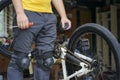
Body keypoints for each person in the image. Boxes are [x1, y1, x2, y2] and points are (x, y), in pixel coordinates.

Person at [7, 0, 71, 80]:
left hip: (49, 17)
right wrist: (20, 13)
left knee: (46, 61)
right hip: (27, 12)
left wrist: (63, 16)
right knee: (20, 60)